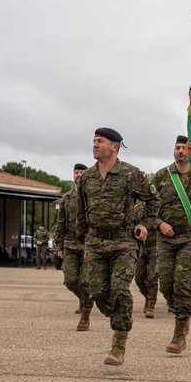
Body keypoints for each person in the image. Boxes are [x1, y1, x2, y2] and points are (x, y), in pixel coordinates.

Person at [76, 127, 158, 366]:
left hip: (124, 241)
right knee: (96, 291)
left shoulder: (131, 174)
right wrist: (82, 242)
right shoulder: (87, 178)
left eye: (99, 141)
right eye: (93, 141)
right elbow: (81, 213)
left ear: (114, 146)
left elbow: (153, 200)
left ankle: (119, 343)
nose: (94, 145)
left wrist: (144, 224)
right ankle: (120, 316)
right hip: (95, 241)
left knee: (120, 288)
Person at [151, 135, 191, 354]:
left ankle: (179, 332)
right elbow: (147, 207)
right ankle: (181, 313)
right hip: (166, 238)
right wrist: (159, 224)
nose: (180, 151)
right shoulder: (161, 176)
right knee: (166, 284)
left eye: (185, 148)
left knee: (182, 282)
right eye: (177, 147)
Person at [54, 163, 91, 330]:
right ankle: (83, 299)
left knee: (85, 281)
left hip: (88, 244)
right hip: (70, 244)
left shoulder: (92, 196)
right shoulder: (67, 198)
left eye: (82, 172)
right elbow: (60, 223)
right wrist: (59, 246)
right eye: (76, 172)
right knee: (70, 280)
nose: (78, 175)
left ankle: (85, 316)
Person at [133, 197, 159, 318]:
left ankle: (151, 305)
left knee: (152, 276)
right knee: (139, 278)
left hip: (156, 245)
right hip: (141, 246)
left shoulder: (158, 207)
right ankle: (147, 296)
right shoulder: (136, 208)